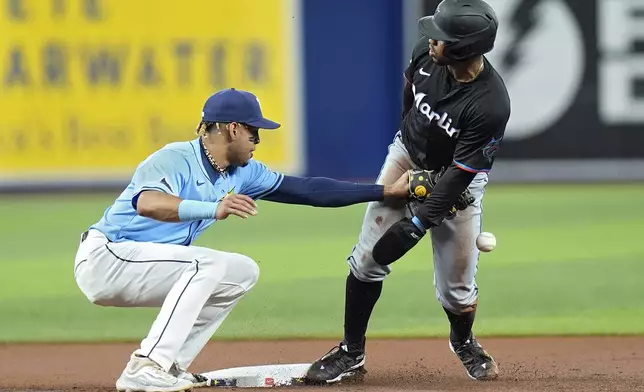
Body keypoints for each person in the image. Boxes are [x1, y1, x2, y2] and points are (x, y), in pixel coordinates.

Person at [73, 87, 411, 392]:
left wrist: (385, 190)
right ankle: (146, 365)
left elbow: (309, 190)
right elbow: (148, 204)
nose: (257, 140)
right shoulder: (174, 158)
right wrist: (212, 207)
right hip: (107, 258)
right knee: (207, 263)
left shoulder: (244, 173)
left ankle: (171, 365)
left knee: (240, 271)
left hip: (143, 266)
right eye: (254, 130)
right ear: (232, 128)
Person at [305, 0, 511, 384]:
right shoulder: (425, 55)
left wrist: (418, 222)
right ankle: (351, 351)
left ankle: (463, 341)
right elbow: (410, 98)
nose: (431, 40)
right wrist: (406, 149)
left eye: (442, 38)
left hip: (458, 178)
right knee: (367, 261)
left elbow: (459, 175)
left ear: (464, 48)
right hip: (407, 155)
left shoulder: (490, 105)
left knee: (457, 290)